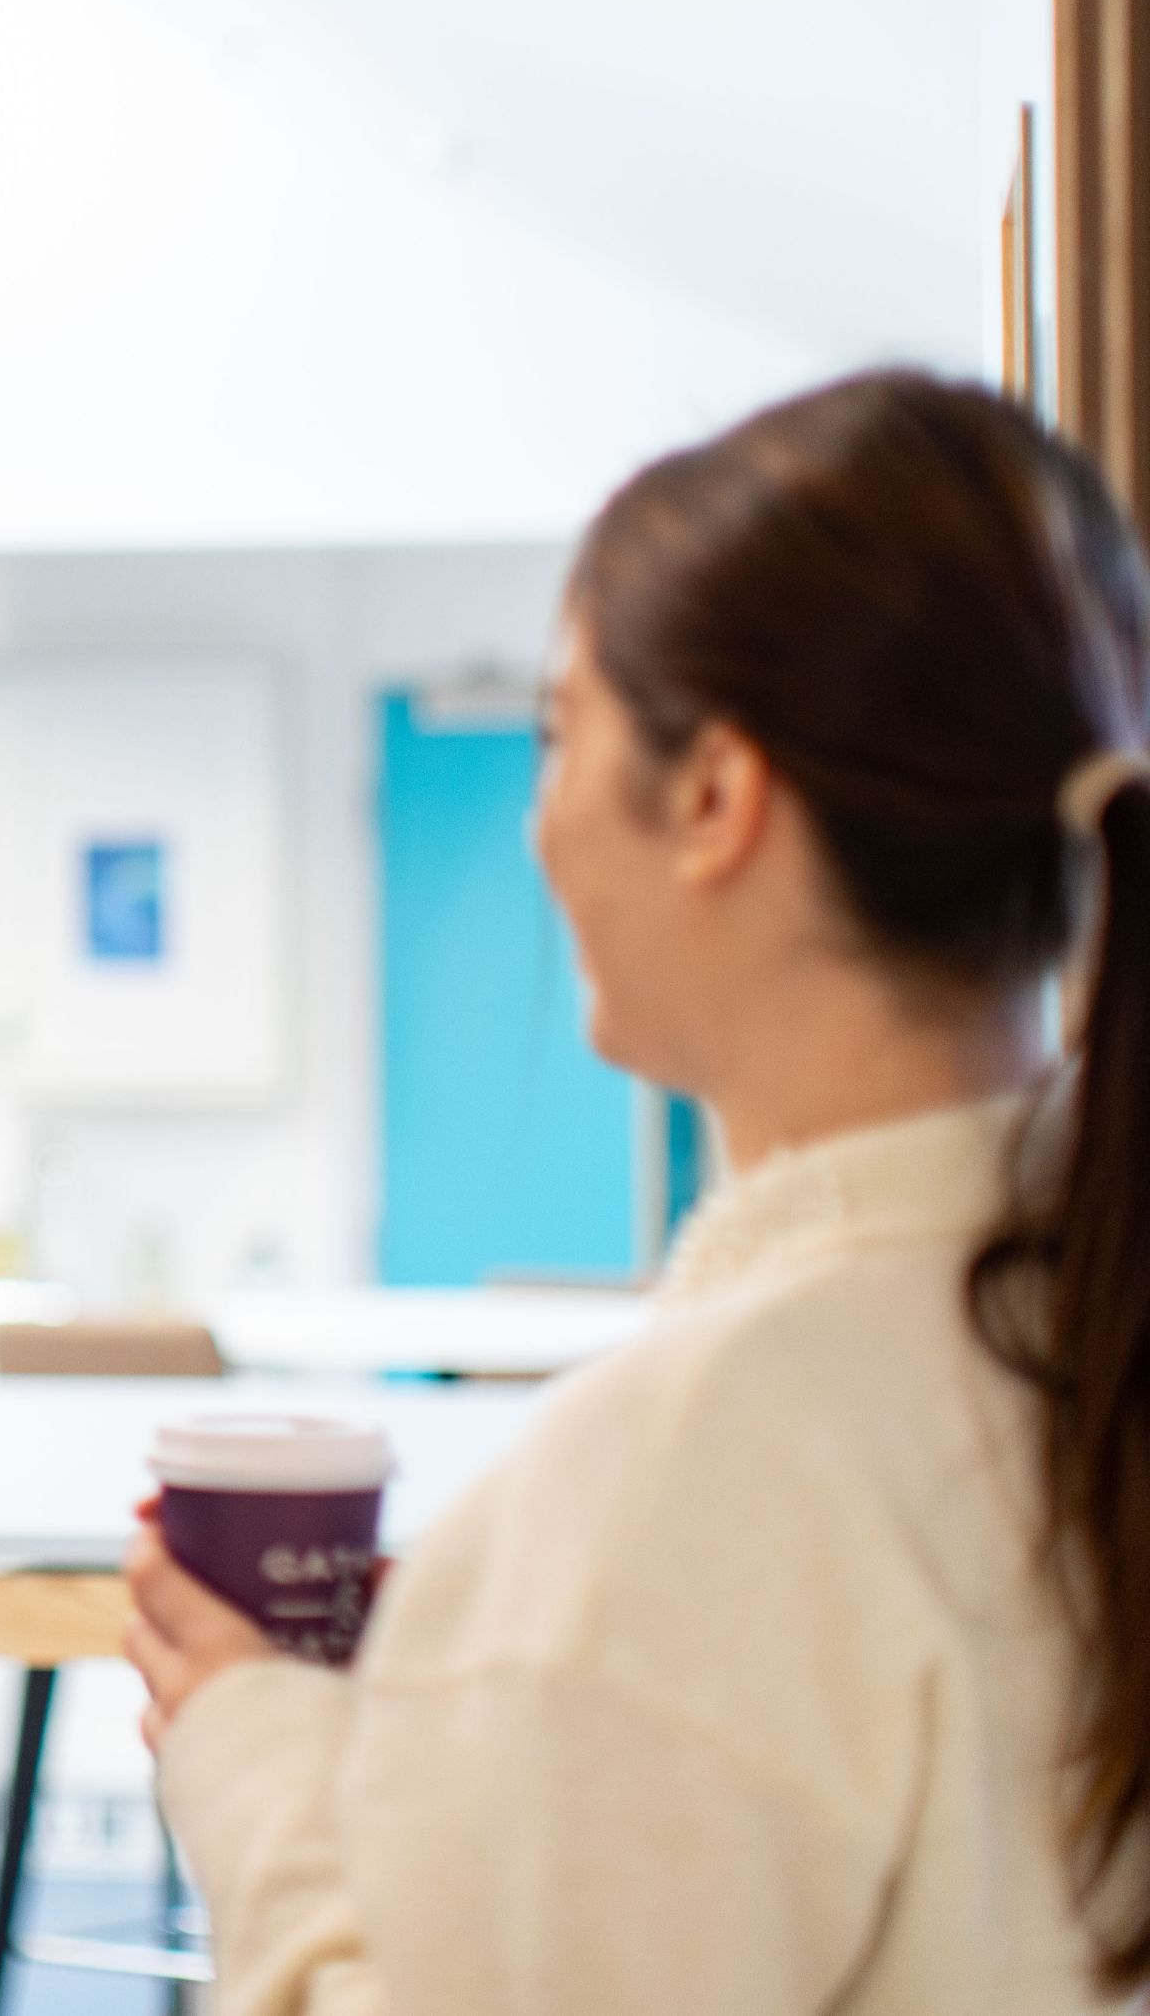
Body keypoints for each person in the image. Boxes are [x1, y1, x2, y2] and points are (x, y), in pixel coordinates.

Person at [124, 368, 1150, 2013]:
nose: (539, 822)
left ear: (714, 798)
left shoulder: (709, 1462)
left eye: (559, 729)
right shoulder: (1062, 1340)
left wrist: (258, 1771)